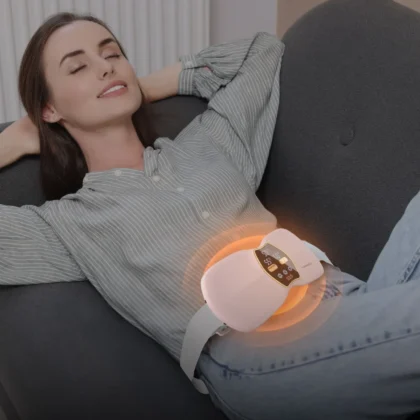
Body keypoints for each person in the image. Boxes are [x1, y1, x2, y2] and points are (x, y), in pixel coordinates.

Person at [0, 11, 419, 420]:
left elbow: (261, 53)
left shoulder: (209, 141)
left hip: (343, 297)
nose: (105, 68)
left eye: (112, 55)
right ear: (49, 110)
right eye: (78, 67)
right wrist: (11, 142)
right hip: (251, 351)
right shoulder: (70, 223)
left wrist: (142, 87)